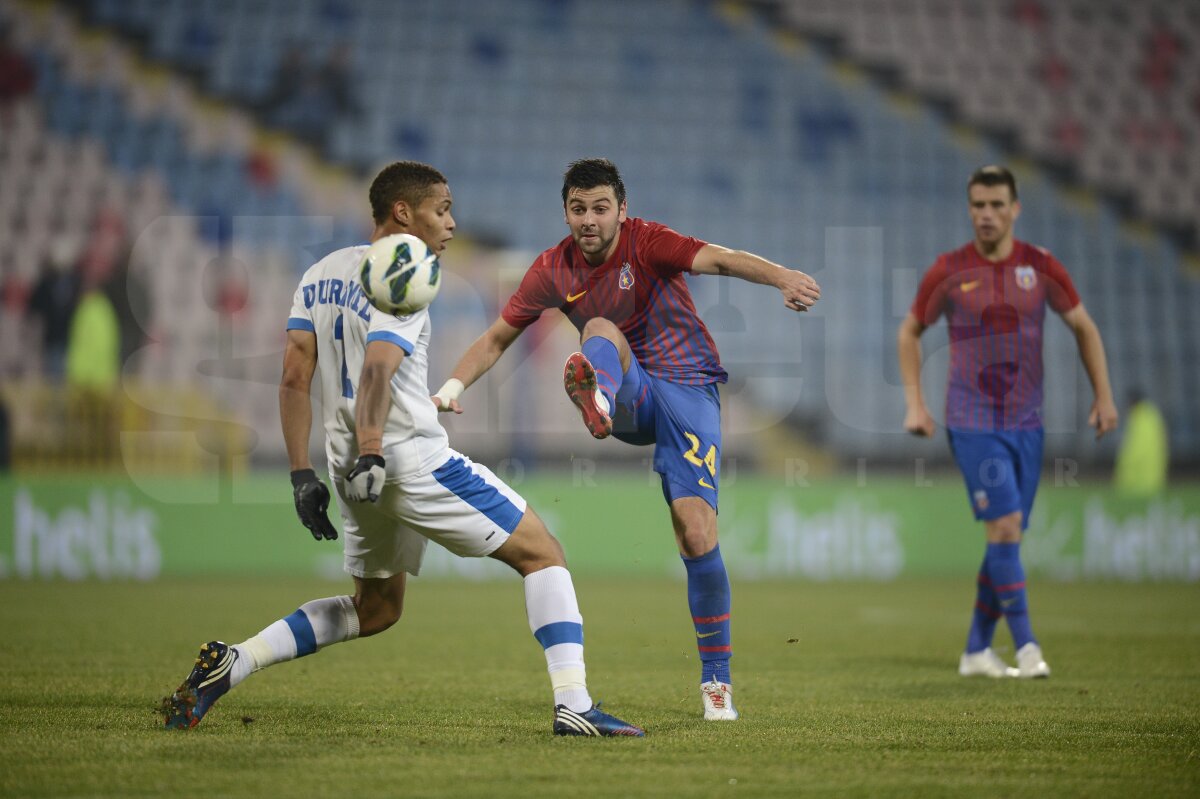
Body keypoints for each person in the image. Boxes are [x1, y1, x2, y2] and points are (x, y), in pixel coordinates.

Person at [160, 161, 643, 737]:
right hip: (405, 458)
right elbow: (378, 371)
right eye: (442, 210)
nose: (452, 223)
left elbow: (293, 378)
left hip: (345, 466)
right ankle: (575, 706)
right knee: (544, 554)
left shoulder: (321, 272)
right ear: (403, 213)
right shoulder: (408, 269)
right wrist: (373, 450)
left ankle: (235, 659)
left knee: (378, 609)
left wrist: (301, 474)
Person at [432, 158, 821, 720]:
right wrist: (450, 386)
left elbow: (722, 258)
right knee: (600, 329)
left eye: (600, 208)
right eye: (577, 209)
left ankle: (717, 684)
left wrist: (782, 276)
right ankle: (598, 398)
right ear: (565, 212)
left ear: (621, 210)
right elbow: (496, 338)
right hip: (630, 395)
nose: (588, 220)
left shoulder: (649, 243)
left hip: (690, 392)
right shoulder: (551, 269)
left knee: (695, 532)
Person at [897, 165, 1118, 680]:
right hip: (971, 422)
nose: (987, 214)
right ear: (969, 208)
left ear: (1015, 208)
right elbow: (910, 333)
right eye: (978, 205)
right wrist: (916, 403)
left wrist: (1103, 396)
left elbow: (1084, 327)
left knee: (1006, 539)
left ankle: (976, 650)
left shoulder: (1041, 267)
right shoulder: (949, 270)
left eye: (997, 204)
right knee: (1005, 525)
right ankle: (1027, 646)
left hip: (1027, 423)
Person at [1113, 388, 1168, 497]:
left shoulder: (1141, 418)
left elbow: (1136, 450)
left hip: (1140, 480)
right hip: (1152, 478)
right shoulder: (1150, 416)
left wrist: (1124, 473)